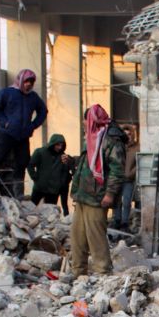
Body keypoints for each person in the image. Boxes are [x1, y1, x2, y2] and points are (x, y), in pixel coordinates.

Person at [68, 105, 125, 276]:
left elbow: (117, 170)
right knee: (78, 235)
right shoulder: (93, 137)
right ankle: (78, 272)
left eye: (86, 120)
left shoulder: (112, 140)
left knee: (96, 236)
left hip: (98, 196)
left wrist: (110, 194)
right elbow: (88, 164)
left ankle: (103, 272)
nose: (84, 124)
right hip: (84, 194)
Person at [0, 69, 48, 197]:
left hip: (23, 135)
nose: (29, 85)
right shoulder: (7, 93)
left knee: (23, 161)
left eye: (31, 82)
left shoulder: (33, 97)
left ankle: (18, 192)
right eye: (27, 81)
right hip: (7, 133)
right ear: (21, 80)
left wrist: (33, 125)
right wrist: (4, 122)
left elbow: (43, 111)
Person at [28, 134, 74, 215]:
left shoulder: (63, 157)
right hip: (39, 188)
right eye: (57, 145)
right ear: (52, 143)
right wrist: (36, 178)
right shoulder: (40, 152)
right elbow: (30, 165)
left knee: (50, 213)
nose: (59, 147)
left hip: (53, 191)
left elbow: (66, 171)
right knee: (31, 210)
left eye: (61, 145)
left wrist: (60, 184)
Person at [112, 125, 139, 230]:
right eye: (125, 134)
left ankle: (125, 222)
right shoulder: (118, 146)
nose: (128, 136)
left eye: (129, 134)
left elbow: (140, 162)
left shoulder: (137, 147)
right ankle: (117, 220)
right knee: (117, 201)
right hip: (118, 178)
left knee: (127, 201)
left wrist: (131, 173)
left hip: (129, 180)